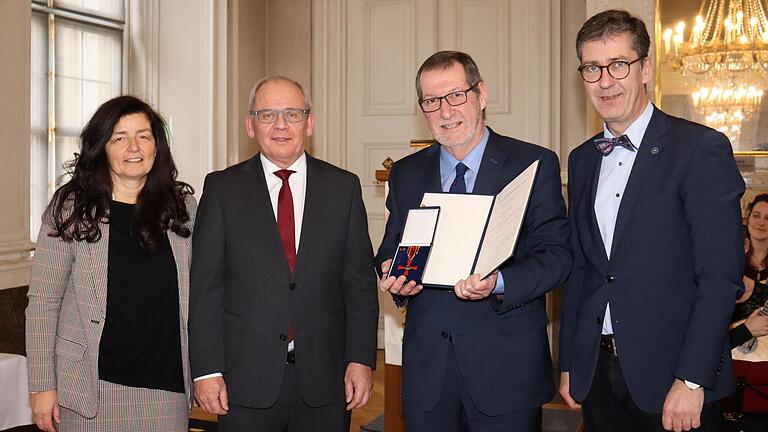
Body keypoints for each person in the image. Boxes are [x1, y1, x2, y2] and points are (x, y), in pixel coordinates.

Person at [559, 9, 745, 432]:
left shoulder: (700, 148)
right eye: (591, 68)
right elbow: (582, 271)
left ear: (645, 68)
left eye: (618, 65)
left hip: (674, 381)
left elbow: (720, 276)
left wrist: (692, 378)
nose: (605, 81)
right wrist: (571, 361)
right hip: (598, 376)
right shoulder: (582, 159)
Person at [375, 51, 572, 431]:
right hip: (429, 372)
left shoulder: (532, 164)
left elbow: (557, 257)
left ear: (481, 94)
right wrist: (393, 274)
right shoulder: (405, 173)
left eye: (456, 96)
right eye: (432, 101)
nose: (445, 112)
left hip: (506, 369)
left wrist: (498, 282)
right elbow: (392, 248)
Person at [189, 76, 379, 432]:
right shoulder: (221, 190)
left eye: (292, 114)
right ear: (250, 125)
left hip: (326, 381)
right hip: (244, 383)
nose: (280, 125)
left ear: (309, 123)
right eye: (267, 115)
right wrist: (207, 370)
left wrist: (360, 359)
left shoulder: (344, 188)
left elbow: (359, 284)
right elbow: (205, 289)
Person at [26, 95, 197, 432]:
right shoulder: (71, 209)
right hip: (90, 388)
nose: (133, 147)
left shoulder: (183, 207)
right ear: (102, 147)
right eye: (119, 138)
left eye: (143, 136)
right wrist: (41, 385)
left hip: (167, 387)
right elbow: (44, 302)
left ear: (156, 146)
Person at [730, 194, 768, 350]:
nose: (761, 222)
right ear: (748, 218)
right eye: (756, 216)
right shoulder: (732, 264)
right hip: (733, 351)